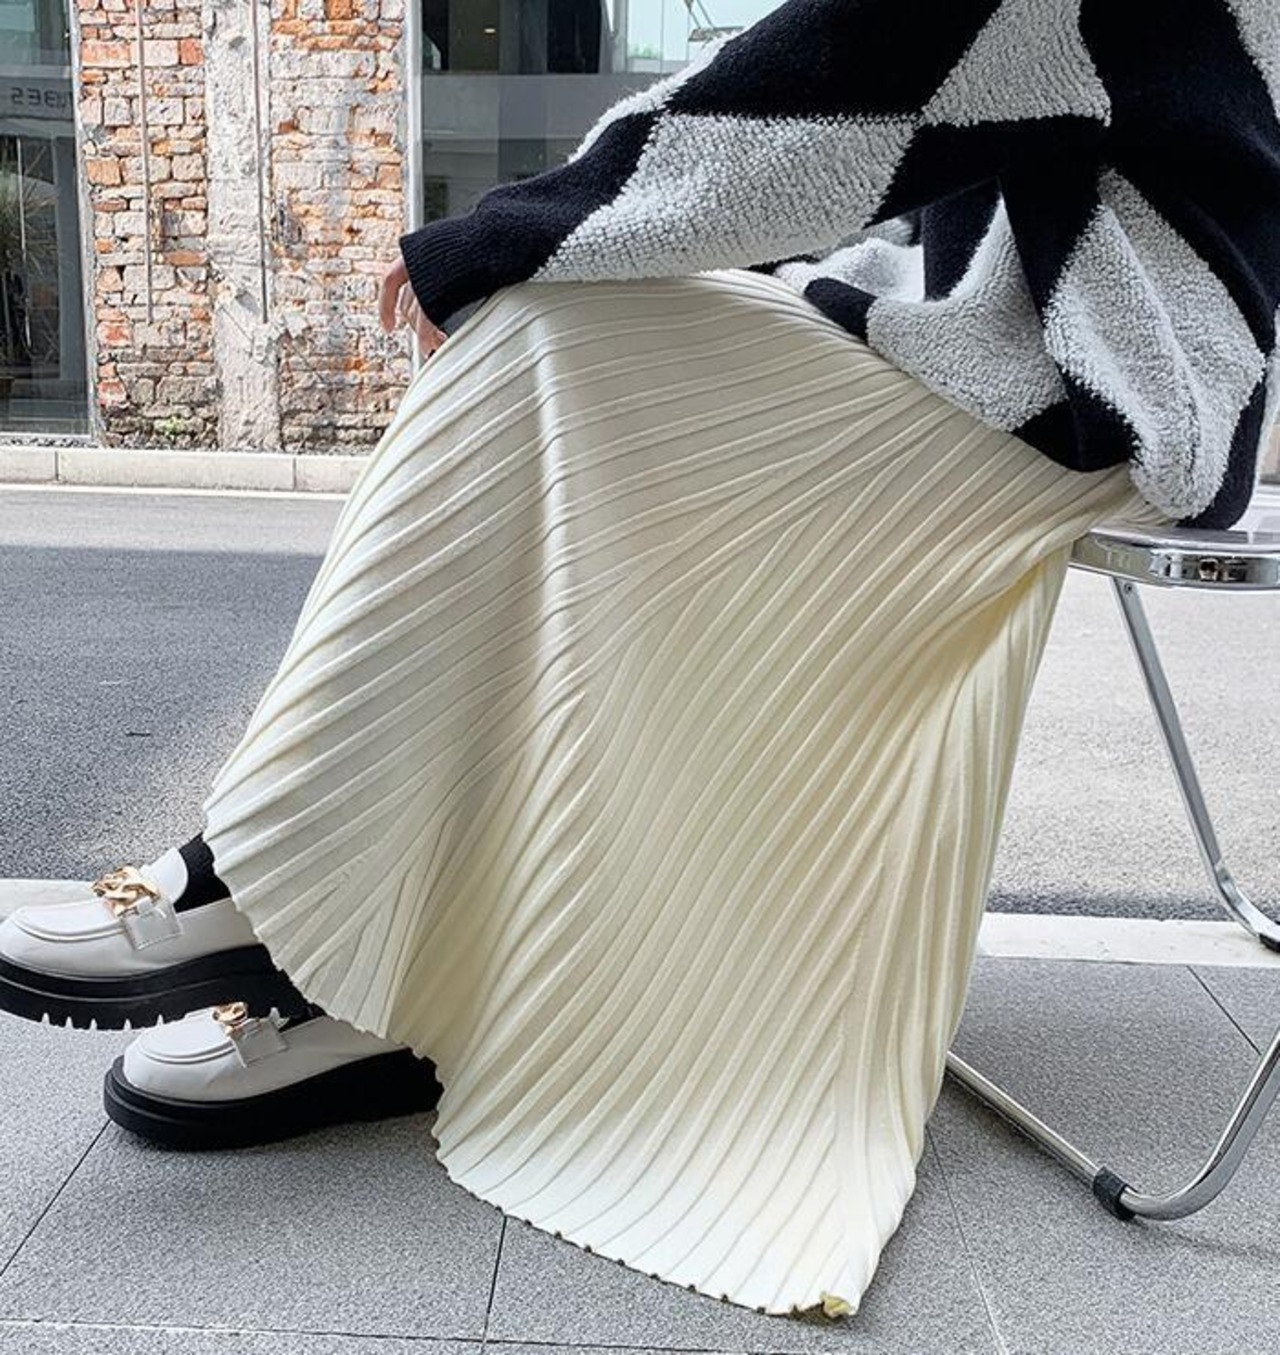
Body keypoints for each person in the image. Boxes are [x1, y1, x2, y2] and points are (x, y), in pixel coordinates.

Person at [2, 0, 1278, 1321]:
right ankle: (380, 961)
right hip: (1036, 372)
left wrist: (521, 228)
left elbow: (853, 77)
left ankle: (274, 890)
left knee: (543, 329)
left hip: (1082, 399)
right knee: (563, 348)